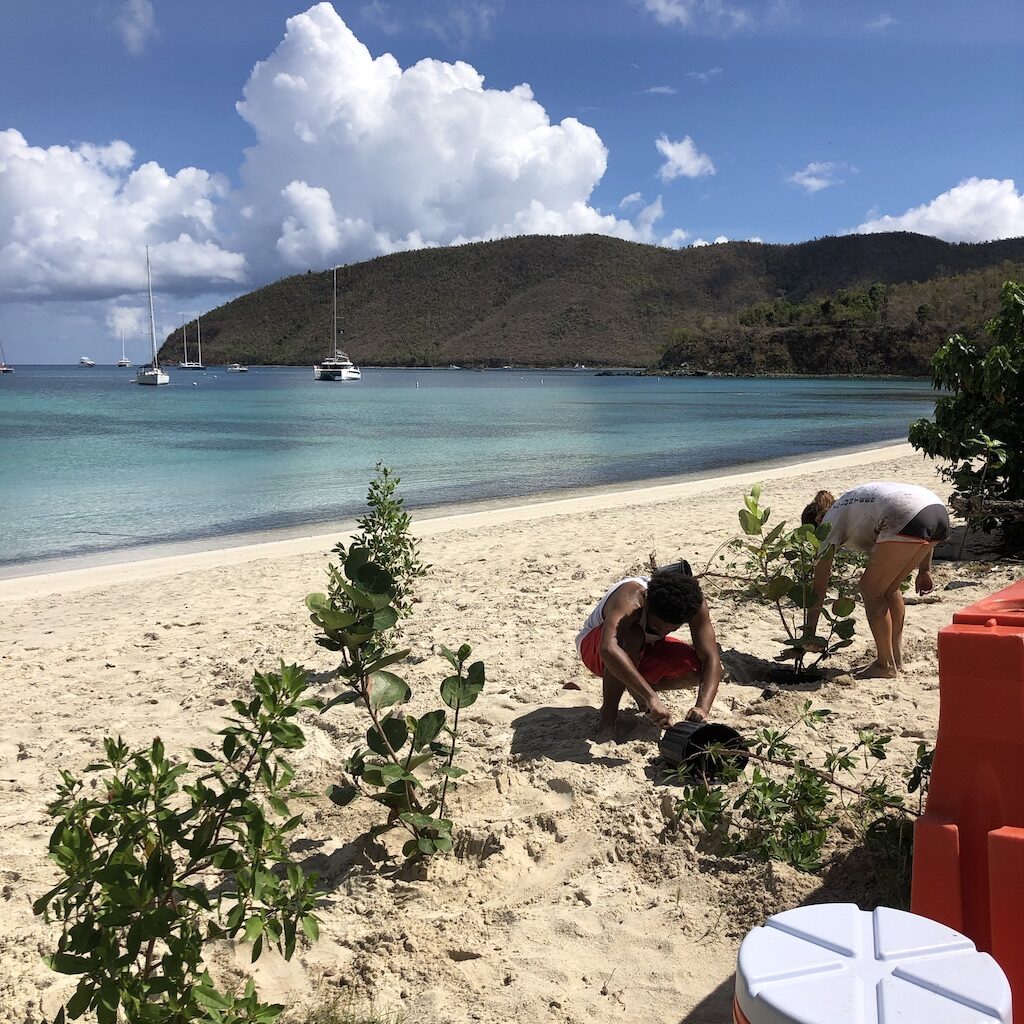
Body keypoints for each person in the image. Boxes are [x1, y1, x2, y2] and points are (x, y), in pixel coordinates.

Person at [802, 481, 950, 679]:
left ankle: (885, 664)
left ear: (817, 522)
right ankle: (895, 658)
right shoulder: (848, 506)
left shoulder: (829, 521)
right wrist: (924, 570)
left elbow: (819, 586)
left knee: (870, 589)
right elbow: (917, 514)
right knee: (889, 588)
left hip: (903, 514)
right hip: (936, 511)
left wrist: (809, 632)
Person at [575, 564, 722, 733]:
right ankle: (608, 716)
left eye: (671, 630)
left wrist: (702, 708)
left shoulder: (693, 604)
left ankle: (635, 686)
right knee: (634, 635)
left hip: (643, 649)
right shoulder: (631, 596)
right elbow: (608, 648)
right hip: (594, 649)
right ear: (647, 604)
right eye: (657, 627)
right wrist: (651, 697)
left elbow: (711, 659)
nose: (663, 632)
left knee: (698, 670)